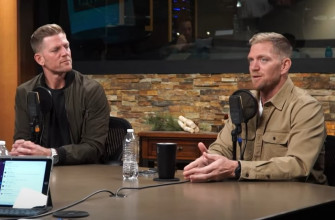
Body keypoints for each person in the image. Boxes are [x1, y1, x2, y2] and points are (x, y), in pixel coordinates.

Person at [183, 32, 327, 184]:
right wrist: (209, 160)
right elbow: (223, 147)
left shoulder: (306, 107)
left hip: (300, 202)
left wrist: (237, 168)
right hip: (248, 198)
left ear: (284, 66)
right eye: (251, 60)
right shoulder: (243, 102)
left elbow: (299, 166)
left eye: (263, 60)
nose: (254, 67)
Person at [10, 24, 110, 165]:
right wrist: (22, 148)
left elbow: (94, 148)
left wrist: (51, 154)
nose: (65, 53)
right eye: (56, 49)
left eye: (66, 46)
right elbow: (22, 137)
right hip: (40, 168)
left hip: (82, 170)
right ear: (40, 59)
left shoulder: (91, 90)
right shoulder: (25, 92)